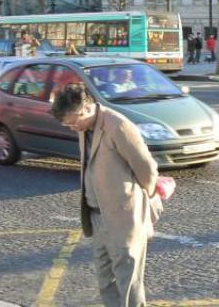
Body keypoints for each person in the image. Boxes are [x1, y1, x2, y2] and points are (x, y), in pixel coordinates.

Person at [51, 84, 158, 307]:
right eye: (67, 125)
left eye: (74, 121)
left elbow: (146, 167)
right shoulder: (84, 127)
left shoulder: (118, 126)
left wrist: (142, 200)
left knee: (128, 283)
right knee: (105, 280)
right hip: (96, 216)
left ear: (88, 108)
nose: (73, 128)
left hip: (123, 218)